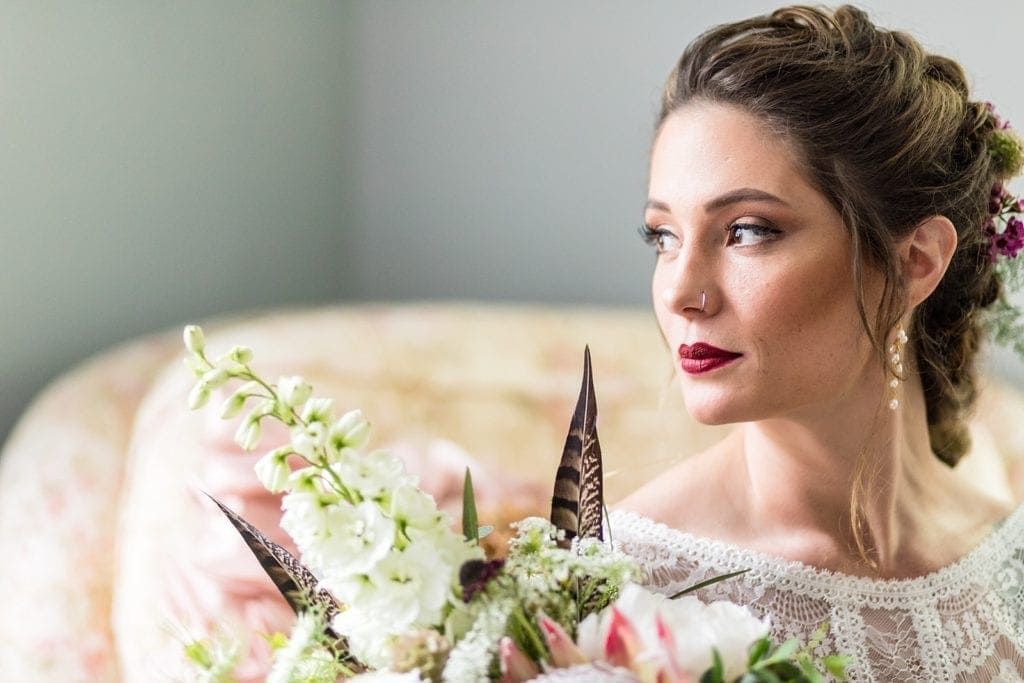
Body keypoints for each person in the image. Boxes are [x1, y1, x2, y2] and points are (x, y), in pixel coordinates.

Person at [512, 5, 1024, 682]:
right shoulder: (610, 588)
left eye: (747, 230)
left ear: (915, 261)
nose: (681, 290)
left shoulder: (1007, 555)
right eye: (663, 236)